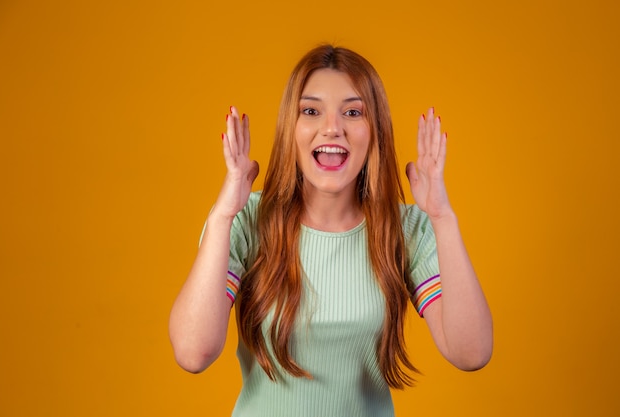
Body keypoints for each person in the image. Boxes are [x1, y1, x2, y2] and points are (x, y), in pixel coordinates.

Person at [169, 44, 493, 416]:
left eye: (353, 112)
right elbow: (193, 353)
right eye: (311, 110)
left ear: (375, 131)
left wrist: (443, 217)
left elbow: (472, 353)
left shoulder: (405, 229)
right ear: (291, 128)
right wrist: (224, 215)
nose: (332, 128)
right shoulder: (246, 219)